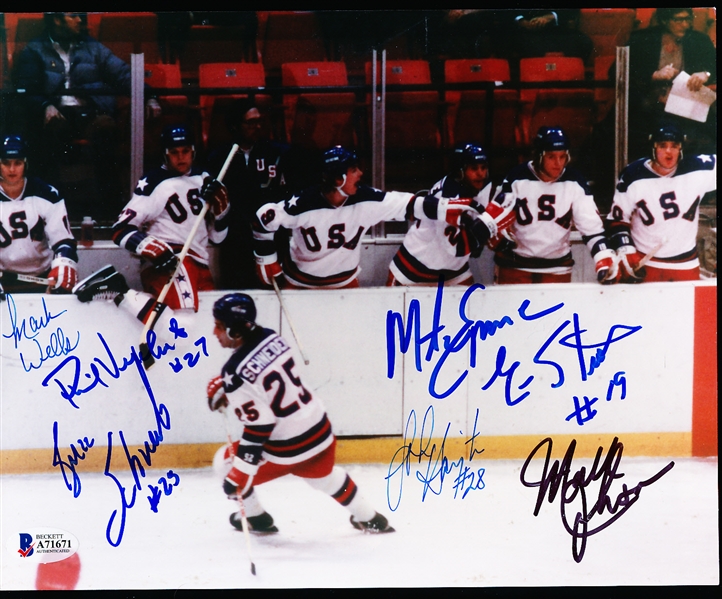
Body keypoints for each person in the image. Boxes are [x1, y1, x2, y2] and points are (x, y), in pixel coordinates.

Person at [207, 292, 395, 534]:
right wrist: (228, 385)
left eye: (219, 326)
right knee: (323, 479)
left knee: (223, 463)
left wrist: (240, 473)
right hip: (321, 433)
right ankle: (369, 516)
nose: (215, 333)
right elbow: (263, 376)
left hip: (287, 449)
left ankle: (256, 517)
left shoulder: (233, 373)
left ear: (235, 331)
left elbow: (259, 427)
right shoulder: (272, 338)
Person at [252, 145, 508, 289]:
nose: (361, 174)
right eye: (354, 170)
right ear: (338, 177)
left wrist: (453, 210)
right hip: (299, 285)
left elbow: (412, 204)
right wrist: (266, 259)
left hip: (345, 285)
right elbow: (263, 218)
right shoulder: (302, 204)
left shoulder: (366, 200)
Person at [12, 12, 161, 220]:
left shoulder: (93, 47)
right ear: (57, 19)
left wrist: (148, 95)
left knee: (107, 129)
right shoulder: (35, 49)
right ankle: (51, 211)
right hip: (57, 114)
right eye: (73, 16)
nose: (80, 20)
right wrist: (45, 105)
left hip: (89, 113)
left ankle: (111, 212)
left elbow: (122, 74)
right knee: (47, 137)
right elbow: (27, 88)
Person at [111, 124, 229, 311]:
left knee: (206, 321)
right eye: (174, 152)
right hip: (170, 261)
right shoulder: (154, 182)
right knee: (184, 319)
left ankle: (119, 292)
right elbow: (120, 229)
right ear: (165, 154)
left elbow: (217, 238)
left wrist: (222, 212)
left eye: (186, 151)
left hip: (200, 262)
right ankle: (117, 293)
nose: (181, 157)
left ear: (193, 152)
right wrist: (153, 248)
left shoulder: (204, 179)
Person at [491, 127, 616, 285]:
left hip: (556, 269)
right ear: (538, 156)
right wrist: (497, 233)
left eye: (562, 156)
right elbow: (494, 221)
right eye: (551, 157)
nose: (558, 164)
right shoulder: (516, 178)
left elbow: (591, 228)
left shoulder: (574, 182)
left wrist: (603, 257)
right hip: (515, 268)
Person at [387, 143, 514, 286]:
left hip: (455, 272)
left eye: (483, 167)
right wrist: (488, 225)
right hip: (413, 271)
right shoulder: (446, 197)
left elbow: (476, 229)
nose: (481, 174)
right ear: (459, 171)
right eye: (474, 168)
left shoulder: (482, 185)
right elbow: (456, 248)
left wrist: (493, 235)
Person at [606, 124, 716, 283]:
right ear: (653, 148)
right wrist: (626, 248)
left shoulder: (699, 169)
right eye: (663, 146)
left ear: (681, 149)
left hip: (685, 265)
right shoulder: (633, 175)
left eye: (675, 146)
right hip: (645, 264)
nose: (669, 152)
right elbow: (617, 220)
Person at [206, 98, 292, 290]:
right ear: (235, 126)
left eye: (260, 121)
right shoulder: (218, 157)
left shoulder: (278, 154)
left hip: (272, 239)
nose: (258, 126)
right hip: (237, 242)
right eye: (251, 123)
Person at [626, 8, 716, 160]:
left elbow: (713, 66)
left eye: (688, 19)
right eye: (678, 20)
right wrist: (653, 75)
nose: (685, 25)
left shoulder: (699, 39)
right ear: (664, 21)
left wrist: (706, 74)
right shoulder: (642, 39)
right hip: (649, 107)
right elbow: (616, 72)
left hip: (687, 108)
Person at [0, 134, 78, 297]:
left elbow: (63, 239)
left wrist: (64, 263)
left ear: (26, 163)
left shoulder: (46, 194)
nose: (12, 169)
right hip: (3, 280)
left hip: (43, 278)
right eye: (6, 163)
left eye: (18, 163)